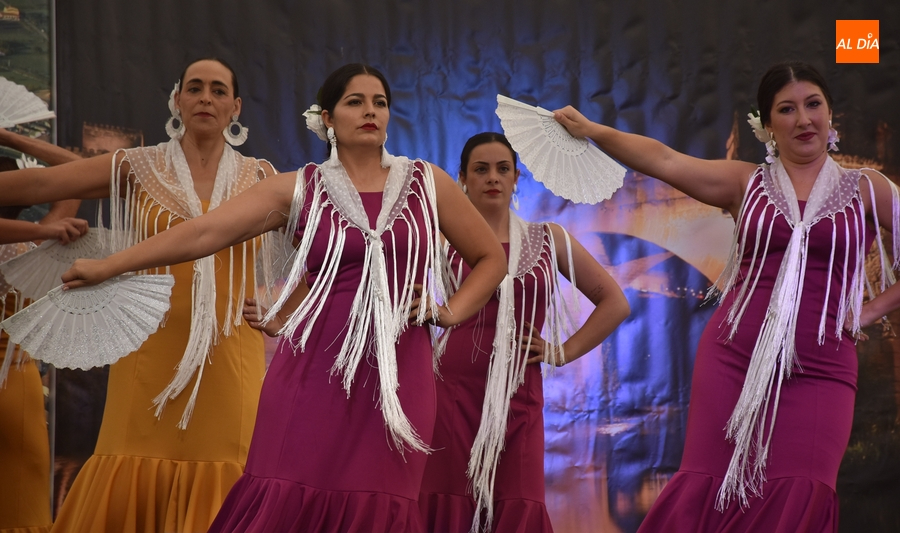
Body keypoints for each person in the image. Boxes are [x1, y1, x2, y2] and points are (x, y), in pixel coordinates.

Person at [54, 63, 507, 532]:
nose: (370, 111)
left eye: (380, 102)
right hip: (312, 374)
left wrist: (447, 311)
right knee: (288, 498)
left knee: (382, 502)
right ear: (327, 119)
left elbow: (490, 259)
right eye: (355, 102)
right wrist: (108, 265)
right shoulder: (298, 187)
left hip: (399, 377)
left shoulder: (425, 183)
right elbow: (203, 233)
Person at [553, 60, 900, 532]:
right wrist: (592, 129)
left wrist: (867, 312)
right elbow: (664, 160)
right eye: (787, 109)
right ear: (769, 126)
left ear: (830, 113)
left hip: (823, 366)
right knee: (712, 486)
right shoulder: (746, 183)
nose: (803, 119)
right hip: (734, 358)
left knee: (800, 489)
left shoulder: (866, 189)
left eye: (813, 104)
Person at [0, 58, 279, 532]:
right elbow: (44, 183)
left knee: (227, 471)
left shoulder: (263, 179)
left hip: (229, 355)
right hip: (148, 349)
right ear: (176, 101)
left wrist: (281, 303)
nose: (205, 98)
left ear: (235, 107)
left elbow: (332, 248)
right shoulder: (139, 168)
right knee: (132, 460)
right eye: (194, 88)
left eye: (217, 90)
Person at [418, 132, 630, 532]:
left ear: (517, 178)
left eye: (502, 169)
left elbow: (615, 303)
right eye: (481, 170)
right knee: (446, 502)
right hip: (451, 390)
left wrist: (561, 351)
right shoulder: (440, 239)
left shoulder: (549, 239)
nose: (492, 178)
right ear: (461, 179)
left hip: (519, 392)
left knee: (518, 503)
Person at [0, 129, 86, 533]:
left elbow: (81, 173)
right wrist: (11, 139)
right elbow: (78, 170)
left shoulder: (34, 243)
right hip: (16, 381)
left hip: (17, 383)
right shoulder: (35, 246)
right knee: (24, 501)